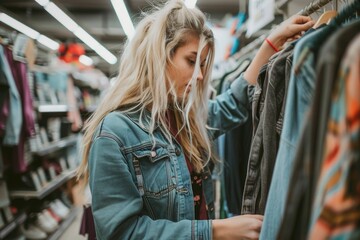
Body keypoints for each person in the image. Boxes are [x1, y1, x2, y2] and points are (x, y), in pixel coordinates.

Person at [76, 0, 314, 239]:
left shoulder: (182, 118)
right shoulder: (114, 134)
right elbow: (122, 233)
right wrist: (216, 230)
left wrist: (270, 45)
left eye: (202, 65)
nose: (200, 76)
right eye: (191, 61)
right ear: (160, 56)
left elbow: (233, 104)